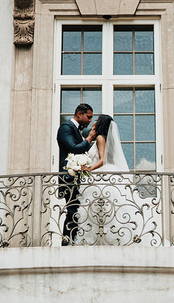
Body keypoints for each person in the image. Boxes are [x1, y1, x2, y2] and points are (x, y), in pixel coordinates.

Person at [75, 114, 139, 245]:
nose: (94, 121)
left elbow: (103, 160)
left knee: (98, 210)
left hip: (99, 176)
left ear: (101, 124)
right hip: (102, 175)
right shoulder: (101, 138)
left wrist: (89, 169)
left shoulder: (100, 138)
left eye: (97, 120)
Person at [56, 103, 94, 245]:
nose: (90, 120)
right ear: (79, 114)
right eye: (88, 117)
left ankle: (73, 240)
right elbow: (73, 148)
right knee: (72, 210)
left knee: (76, 210)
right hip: (69, 177)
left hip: (76, 178)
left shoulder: (77, 130)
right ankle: (67, 242)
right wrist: (89, 138)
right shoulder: (66, 128)